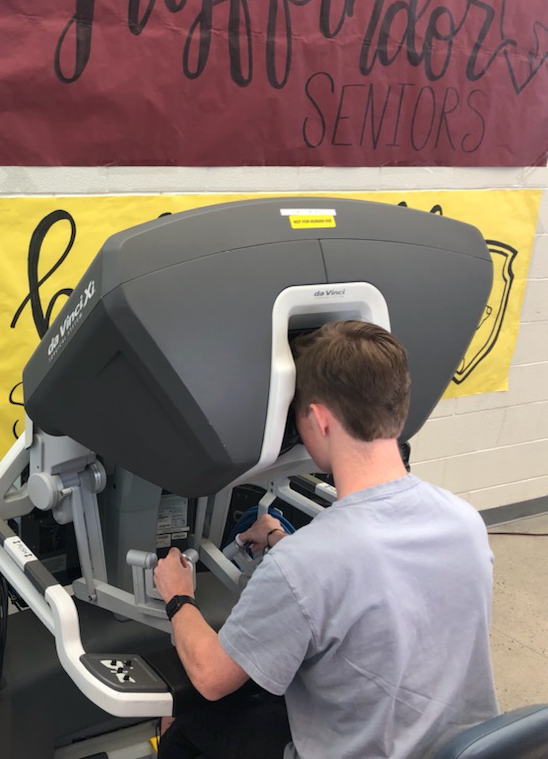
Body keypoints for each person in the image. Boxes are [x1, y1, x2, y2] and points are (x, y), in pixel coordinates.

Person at [153, 320, 499, 759]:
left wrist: (178, 596)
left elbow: (210, 675)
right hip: (457, 748)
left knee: (188, 726)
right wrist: (282, 539)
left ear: (317, 418)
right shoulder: (464, 522)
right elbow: (372, 585)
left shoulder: (305, 564)